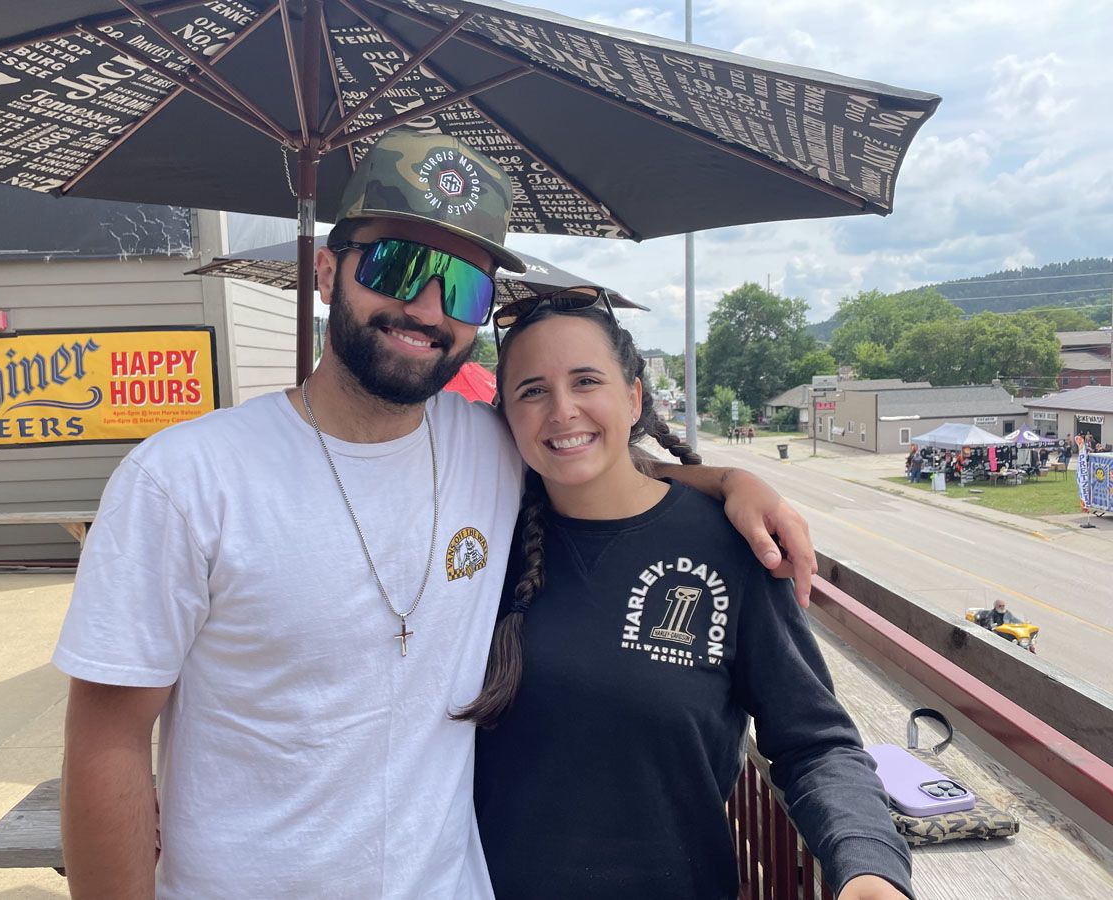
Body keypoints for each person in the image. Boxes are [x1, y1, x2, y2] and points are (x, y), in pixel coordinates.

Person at [53, 129, 817, 897]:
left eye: (465, 287)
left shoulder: (487, 447)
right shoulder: (182, 479)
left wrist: (728, 481)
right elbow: (107, 741)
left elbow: (595, 458)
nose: (426, 306)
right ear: (326, 271)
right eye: (397, 265)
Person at [465, 298, 912, 900]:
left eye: (586, 381)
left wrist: (867, 865)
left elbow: (816, 742)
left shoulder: (732, 547)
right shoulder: (476, 542)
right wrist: (727, 476)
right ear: (506, 416)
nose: (562, 410)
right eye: (532, 391)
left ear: (633, 398)